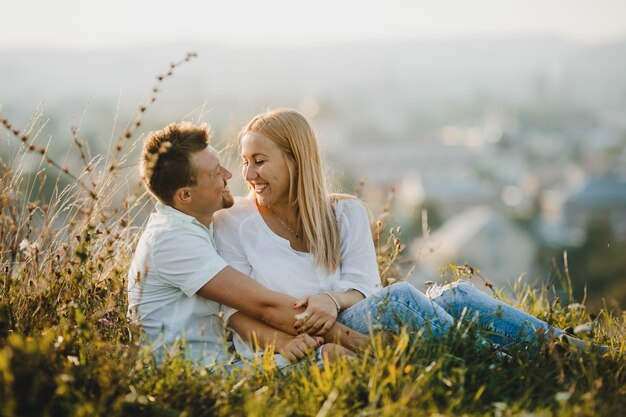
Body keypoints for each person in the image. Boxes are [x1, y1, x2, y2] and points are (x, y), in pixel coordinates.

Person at [214, 108, 606, 361]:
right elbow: (237, 313)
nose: (248, 175)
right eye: (246, 162)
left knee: (456, 294)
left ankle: (574, 350)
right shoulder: (234, 223)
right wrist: (323, 322)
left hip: (349, 316)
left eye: (260, 162)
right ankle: (496, 364)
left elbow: (364, 286)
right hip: (296, 343)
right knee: (401, 296)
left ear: (296, 159)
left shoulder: (344, 211)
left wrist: (331, 301)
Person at [127, 122, 362, 368]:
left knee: (399, 297)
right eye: (216, 172)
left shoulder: (193, 225)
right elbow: (265, 306)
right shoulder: (171, 240)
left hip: (219, 365)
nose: (230, 175)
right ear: (185, 195)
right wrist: (366, 343)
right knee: (334, 356)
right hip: (196, 377)